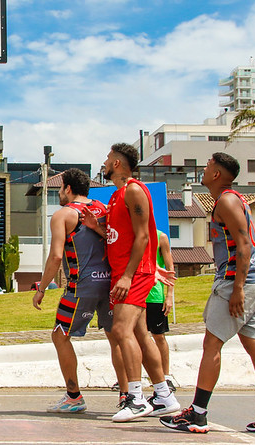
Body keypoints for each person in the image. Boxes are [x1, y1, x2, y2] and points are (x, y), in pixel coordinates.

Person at [160, 153, 255, 434]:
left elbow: (244, 246)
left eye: (207, 167)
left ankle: (197, 413)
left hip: (236, 283)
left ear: (216, 174)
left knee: (211, 345)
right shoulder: (235, 200)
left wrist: (237, 289)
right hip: (254, 283)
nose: (203, 171)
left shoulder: (227, 201)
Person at [83, 143, 179, 422]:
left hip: (132, 273)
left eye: (108, 157)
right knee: (139, 334)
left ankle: (135, 398)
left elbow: (143, 237)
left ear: (116, 164)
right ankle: (163, 395)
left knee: (121, 331)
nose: (104, 160)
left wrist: (129, 275)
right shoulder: (117, 196)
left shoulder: (135, 190)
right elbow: (118, 236)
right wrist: (95, 227)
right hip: (126, 272)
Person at [33, 168, 128, 414]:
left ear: (68, 188)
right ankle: (128, 396)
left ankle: (74, 397)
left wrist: (42, 288)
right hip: (110, 283)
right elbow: (116, 238)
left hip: (81, 285)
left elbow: (55, 256)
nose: (59, 194)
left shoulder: (63, 215)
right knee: (115, 337)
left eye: (60, 188)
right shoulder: (103, 209)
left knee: (59, 334)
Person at [146, 229, 176, 392]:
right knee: (134, 338)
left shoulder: (161, 236)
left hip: (155, 295)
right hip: (134, 295)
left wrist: (169, 295)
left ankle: (166, 376)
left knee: (159, 336)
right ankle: (133, 377)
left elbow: (170, 267)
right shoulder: (131, 233)